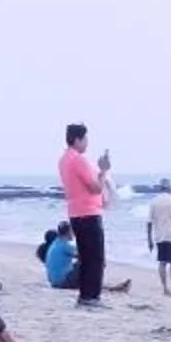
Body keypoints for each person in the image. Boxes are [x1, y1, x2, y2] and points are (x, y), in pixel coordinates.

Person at [58, 122, 113, 305]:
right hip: (88, 212)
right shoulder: (78, 160)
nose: (87, 142)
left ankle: (85, 295)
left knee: (85, 256)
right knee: (95, 257)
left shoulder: (64, 159)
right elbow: (95, 188)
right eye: (85, 138)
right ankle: (92, 296)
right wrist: (103, 170)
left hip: (75, 212)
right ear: (77, 139)